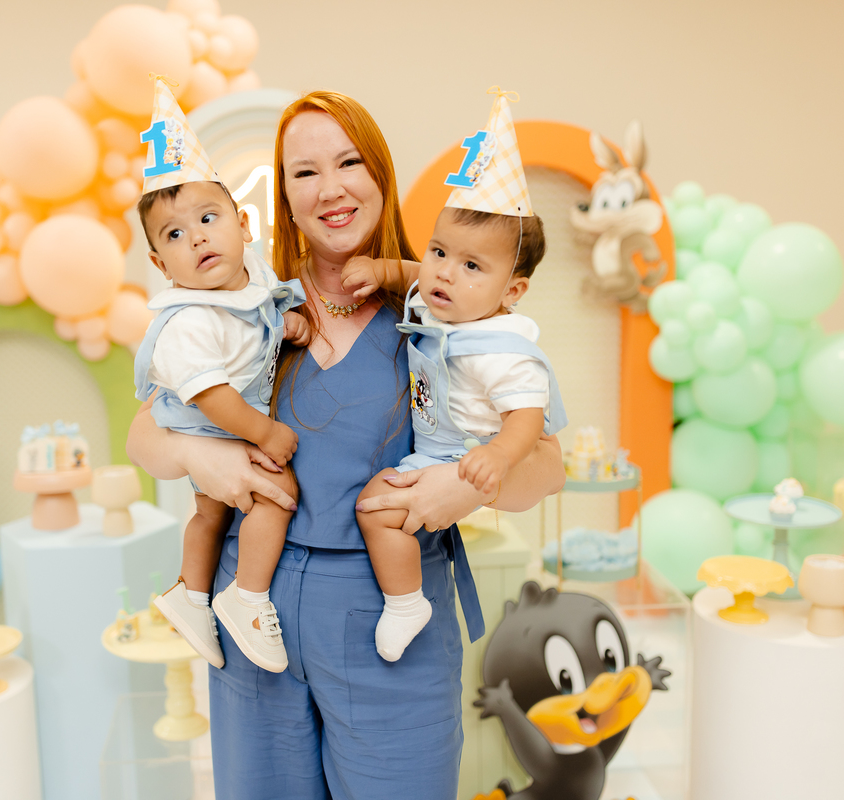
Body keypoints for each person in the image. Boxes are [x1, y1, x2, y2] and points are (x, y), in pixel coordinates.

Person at [127, 89, 565, 800]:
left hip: (388, 622)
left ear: (381, 175)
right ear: (282, 197)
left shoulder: (442, 303)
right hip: (256, 616)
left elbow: (547, 466)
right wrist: (199, 456)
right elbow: (145, 435)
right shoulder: (246, 306)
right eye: (305, 172)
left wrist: (460, 486)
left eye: (349, 162)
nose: (330, 188)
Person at [352, 88, 568, 663]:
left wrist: (497, 457)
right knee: (376, 507)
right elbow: (414, 275)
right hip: (433, 452)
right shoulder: (440, 300)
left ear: (512, 291)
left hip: (467, 455)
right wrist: (380, 269)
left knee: (380, 508)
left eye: (472, 265)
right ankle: (407, 601)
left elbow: (527, 418)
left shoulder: (502, 349)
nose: (445, 273)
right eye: (440, 251)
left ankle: (405, 603)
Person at [133, 77, 309, 674]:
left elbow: (261, 317)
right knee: (276, 496)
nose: (198, 237)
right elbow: (213, 396)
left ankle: (190, 594)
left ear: (244, 226)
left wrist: (286, 323)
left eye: (208, 218)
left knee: (211, 515)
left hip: (224, 424)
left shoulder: (250, 279)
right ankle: (247, 598)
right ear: (160, 263)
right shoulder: (188, 321)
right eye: (175, 235)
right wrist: (264, 433)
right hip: (210, 425)